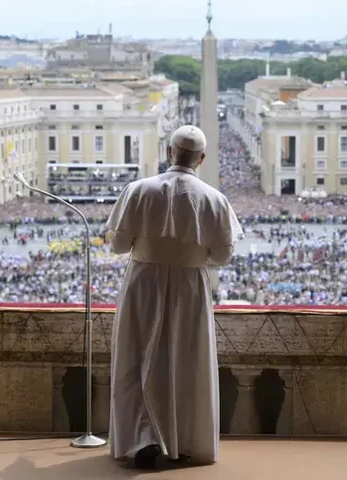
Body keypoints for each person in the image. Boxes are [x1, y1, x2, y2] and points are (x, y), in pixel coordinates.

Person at [107, 125, 244, 469]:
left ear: (169, 152)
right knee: (187, 361)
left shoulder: (137, 190)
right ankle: (183, 441)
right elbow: (223, 255)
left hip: (143, 283)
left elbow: (119, 245)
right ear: (202, 159)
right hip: (190, 288)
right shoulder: (215, 199)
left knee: (136, 360)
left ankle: (140, 440)